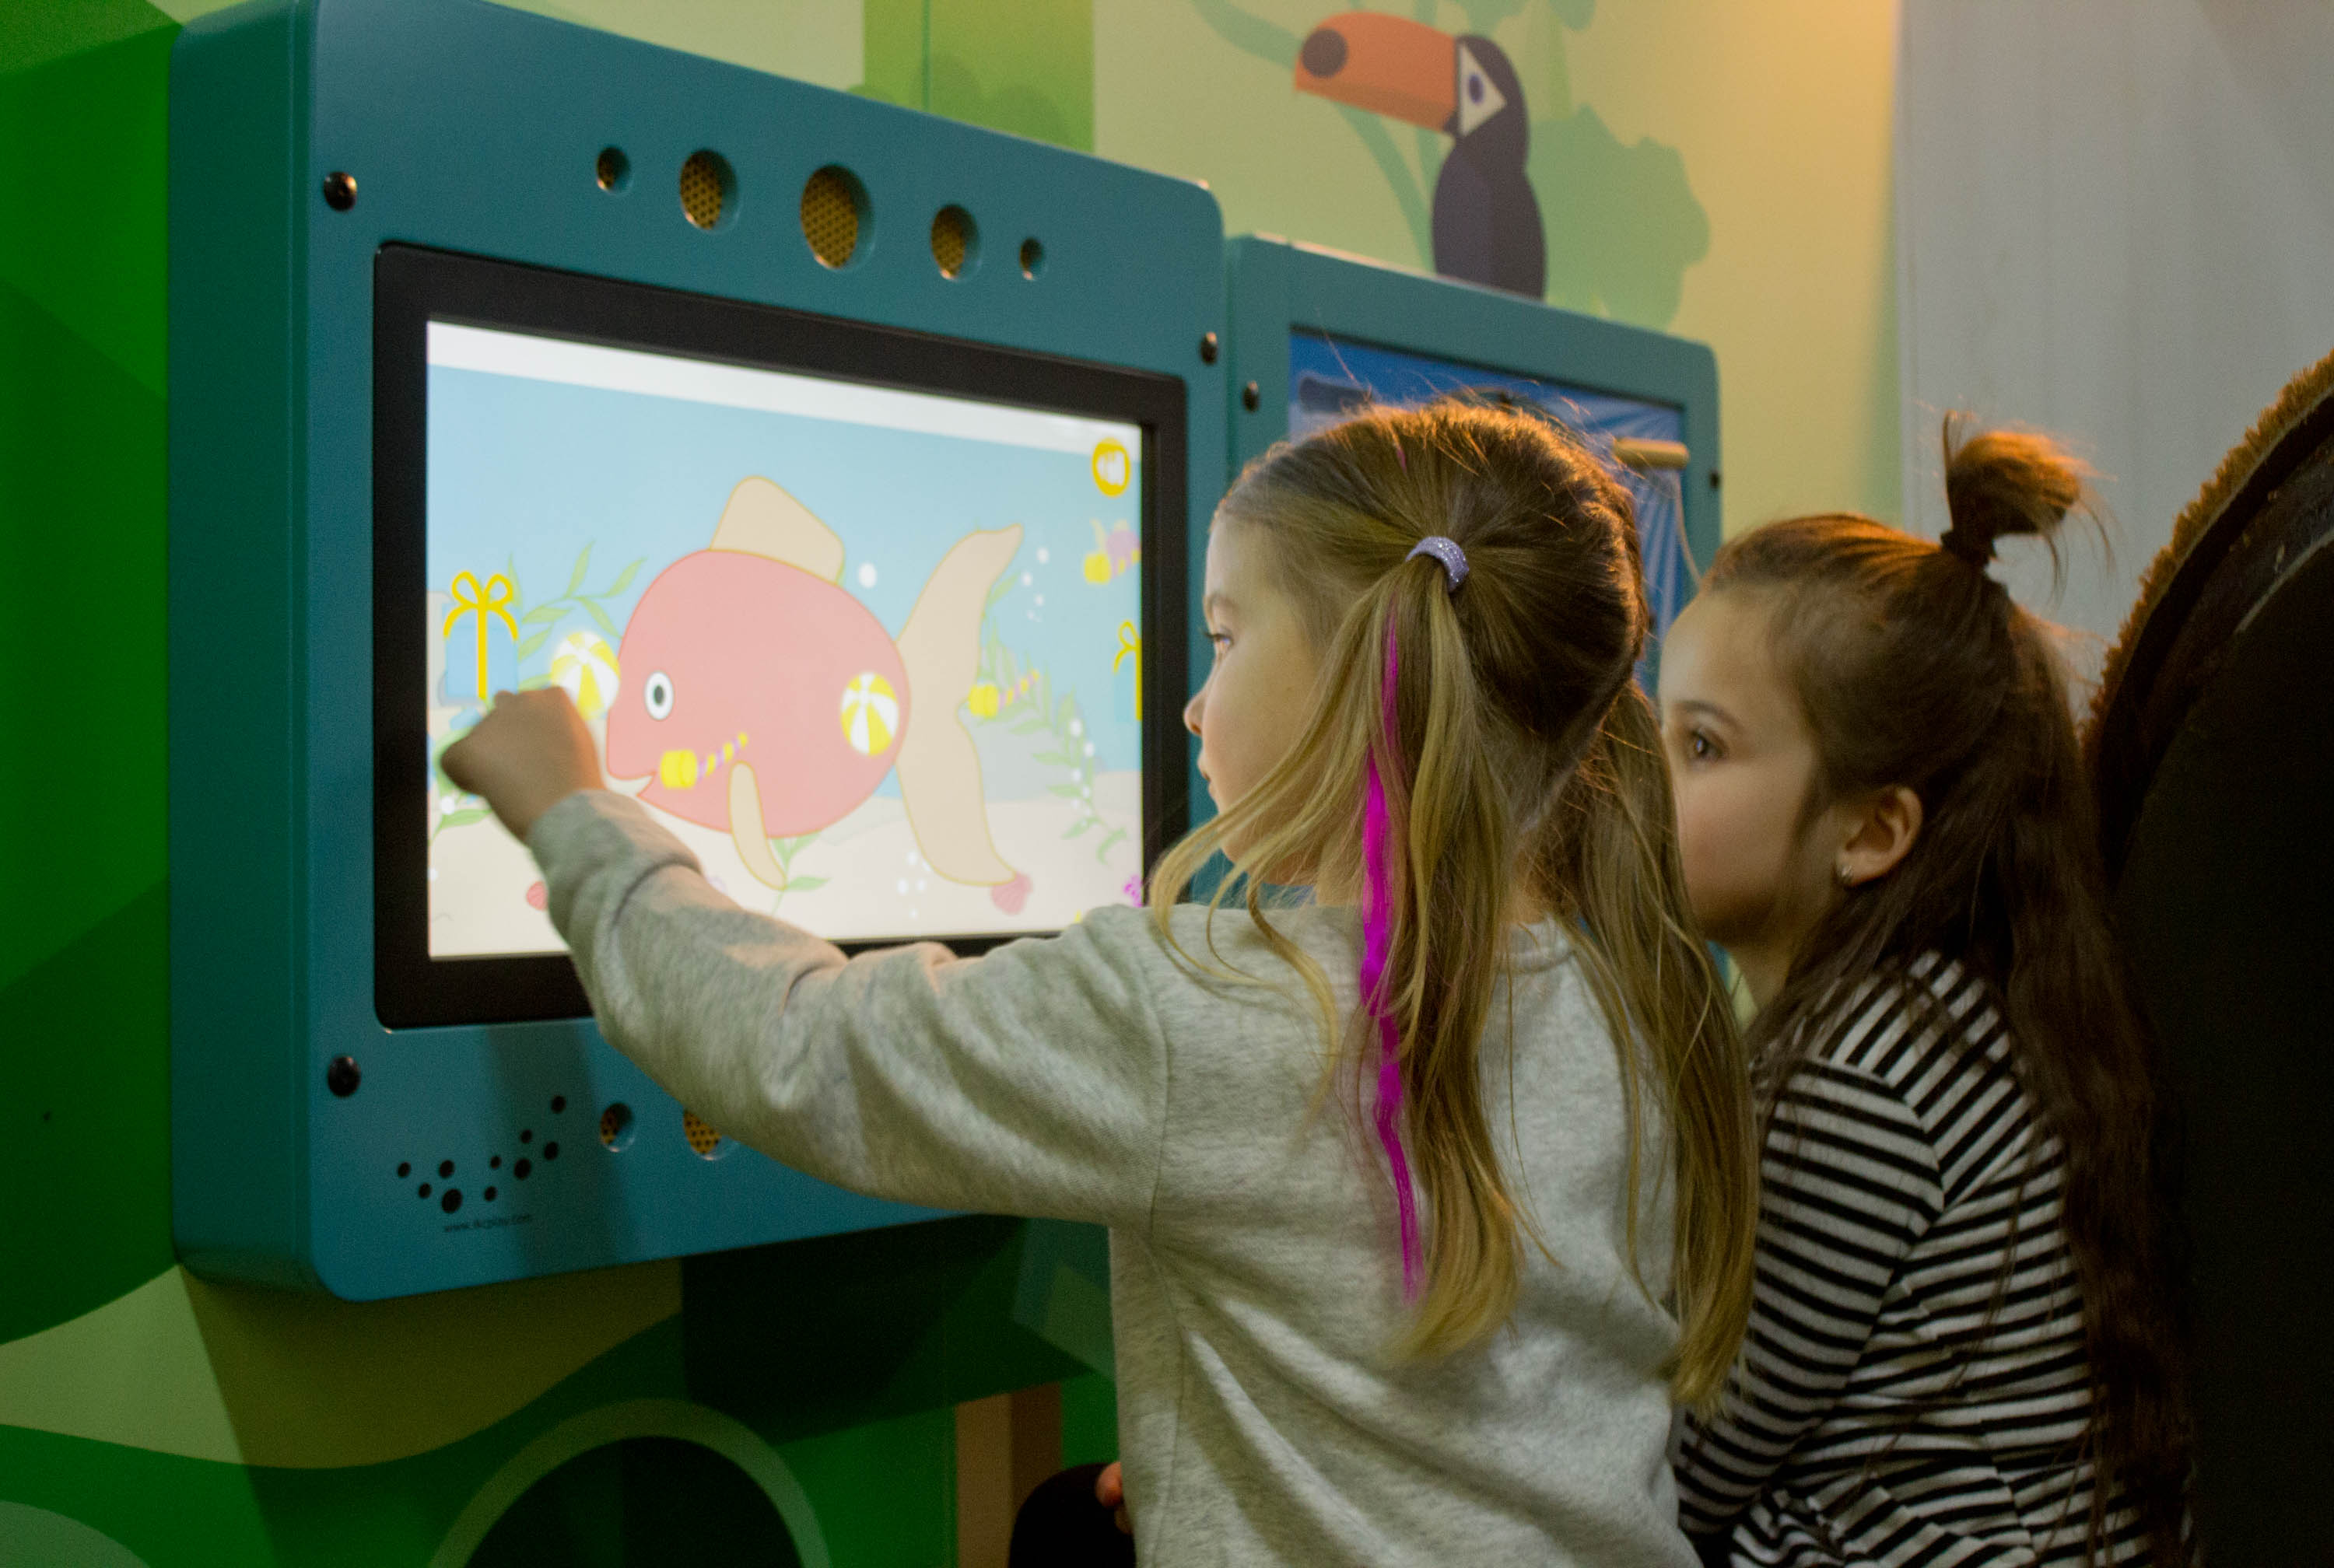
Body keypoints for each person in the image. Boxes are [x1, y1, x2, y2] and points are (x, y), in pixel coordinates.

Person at [445, 401, 1758, 1565]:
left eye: (1227, 639)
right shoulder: (1633, 994)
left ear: (1365, 680)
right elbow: (1502, 1405)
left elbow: (799, 1049)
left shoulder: (1210, 1011)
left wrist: (574, 813)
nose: (1192, 706)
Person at [1659, 421, 2192, 1566]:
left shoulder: (1857, 1080)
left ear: (1871, 829)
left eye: (1699, 748)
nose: (1641, 786)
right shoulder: (1948, 1012)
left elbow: (1688, 1474)